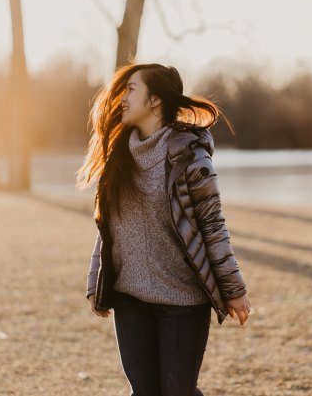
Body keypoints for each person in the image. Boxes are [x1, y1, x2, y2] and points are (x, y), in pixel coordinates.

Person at [75, 63, 251, 396]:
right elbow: (108, 225)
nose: (122, 99)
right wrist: (95, 280)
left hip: (182, 300)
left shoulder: (191, 157)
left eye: (131, 89)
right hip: (130, 298)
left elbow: (212, 226)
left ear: (155, 100)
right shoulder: (118, 155)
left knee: (177, 392)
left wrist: (234, 288)